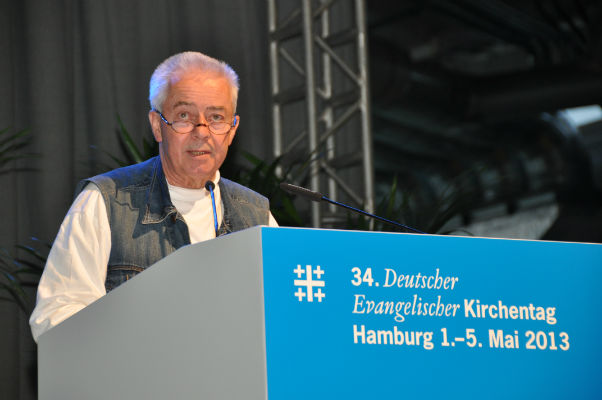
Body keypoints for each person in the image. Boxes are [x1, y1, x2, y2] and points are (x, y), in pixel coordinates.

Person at [29, 51, 278, 342]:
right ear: (157, 125)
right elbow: (56, 318)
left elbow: (282, 315)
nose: (202, 132)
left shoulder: (256, 215)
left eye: (216, 118)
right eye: (184, 116)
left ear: (232, 130)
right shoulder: (107, 201)